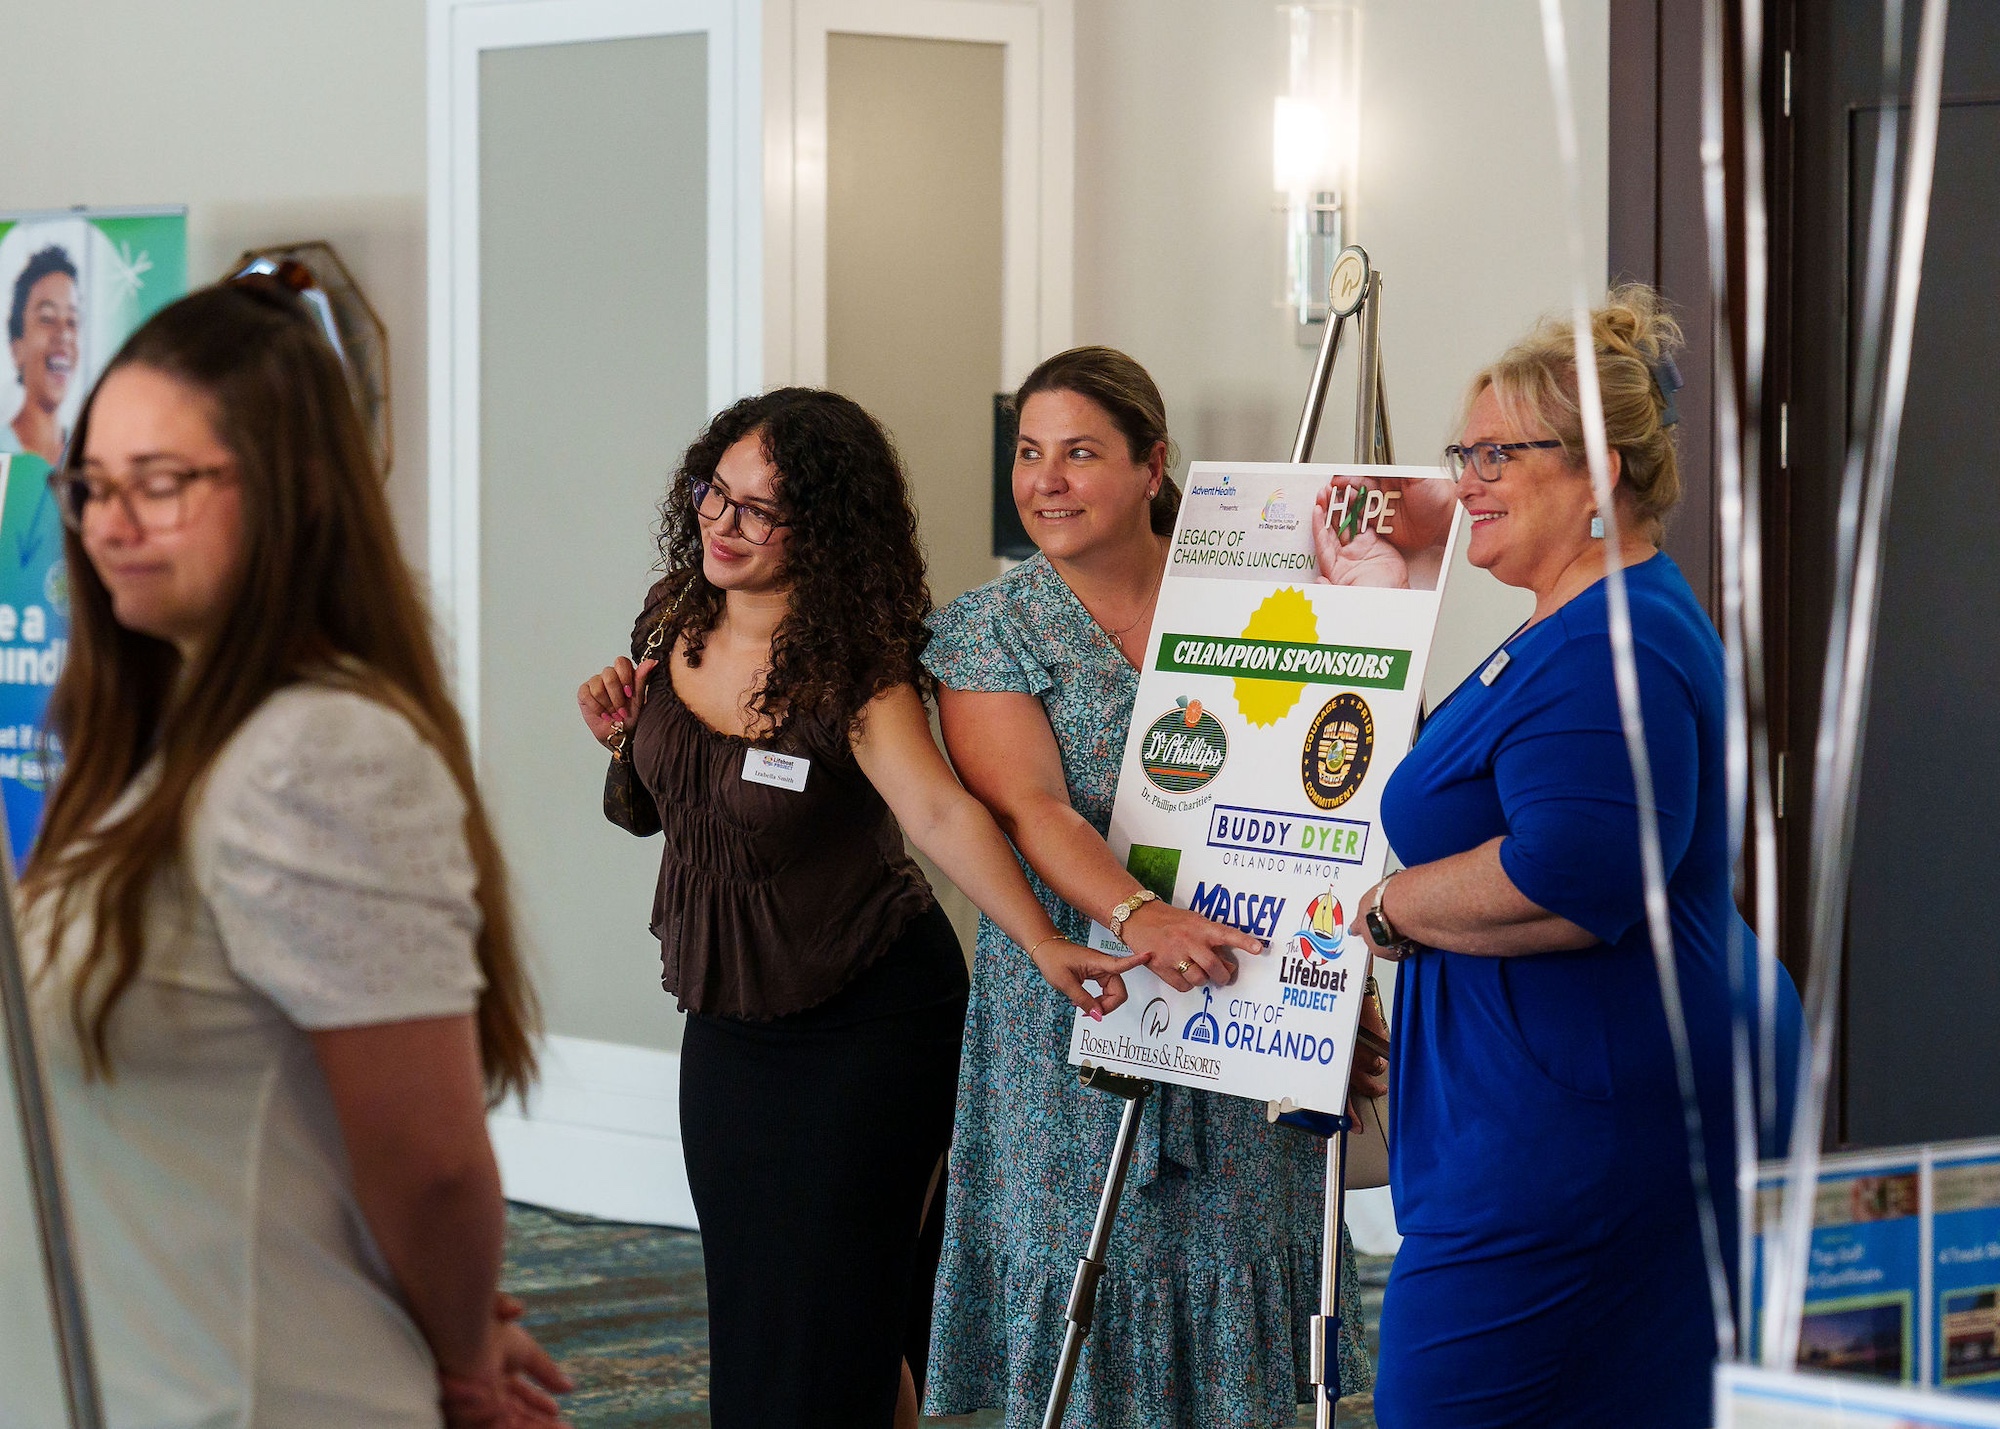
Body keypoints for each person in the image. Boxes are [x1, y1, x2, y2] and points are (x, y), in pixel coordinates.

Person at [22, 275, 570, 1428]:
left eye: (161, 484)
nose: (113, 524)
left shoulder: (315, 751)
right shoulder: (160, 738)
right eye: (94, 486)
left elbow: (428, 1160)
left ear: (294, 491)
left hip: (257, 1389)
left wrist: (465, 1352)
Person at [574, 388, 1142, 1429]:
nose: (723, 522)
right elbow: (684, 809)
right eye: (715, 492)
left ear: (822, 528)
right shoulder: (672, 616)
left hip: (864, 1023)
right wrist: (621, 731)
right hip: (728, 1018)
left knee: (831, 1318)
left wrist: (1042, 938)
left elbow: (937, 811)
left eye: (758, 509)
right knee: (755, 1305)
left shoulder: (849, 661)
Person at [1350, 286, 1803, 1428]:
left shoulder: (1616, 642)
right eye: (1465, 450)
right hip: (1579, 1109)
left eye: (1498, 453)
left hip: (1572, 1142)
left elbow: (1570, 877)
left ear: (1597, 472)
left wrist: (1391, 909)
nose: (1467, 481)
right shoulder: (1583, 619)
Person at [922, 346, 1379, 1429]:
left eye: (1079, 453)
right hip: (1079, 997)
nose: (1045, 480)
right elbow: (1036, 810)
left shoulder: (1261, 600)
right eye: (1029, 454)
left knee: (1245, 1286)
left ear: (1150, 465)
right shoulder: (987, 628)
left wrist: (1336, 989)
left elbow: (1322, 806)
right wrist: (1138, 912)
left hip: (1244, 982)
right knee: (1087, 1303)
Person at [5, 244, 81, 464]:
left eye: (72, 322)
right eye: (47, 318)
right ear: (17, 348)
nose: (64, 334)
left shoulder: (86, 457)